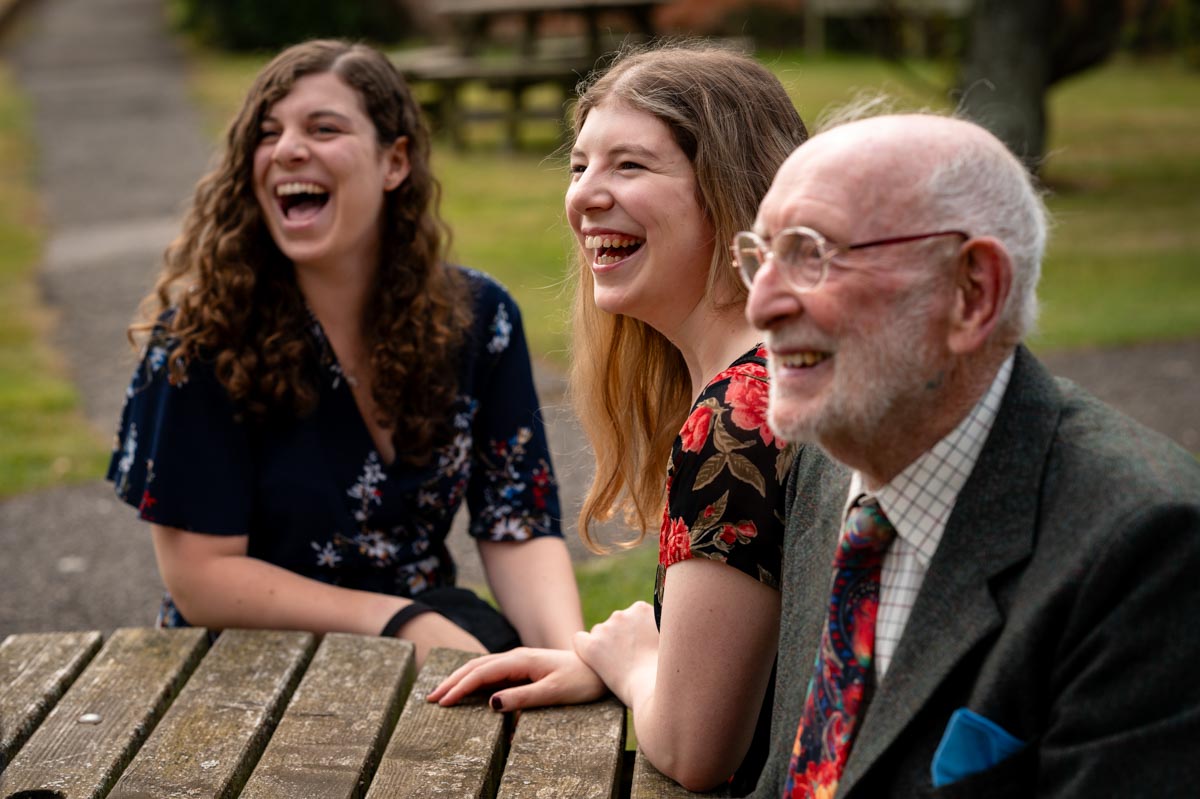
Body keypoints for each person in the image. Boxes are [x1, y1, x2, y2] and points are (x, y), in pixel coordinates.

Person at [741, 112, 1200, 798]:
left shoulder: (1144, 547)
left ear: (972, 292)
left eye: (812, 254)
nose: (762, 303)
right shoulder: (830, 460)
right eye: (761, 255)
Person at [106, 39, 583, 667]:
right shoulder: (201, 342)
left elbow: (515, 525)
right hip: (243, 663)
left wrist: (567, 657)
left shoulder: (478, 319)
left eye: (323, 128)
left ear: (395, 162)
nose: (288, 149)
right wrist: (397, 619)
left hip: (430, 644)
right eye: (268, 133)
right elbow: (201, 579)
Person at [426, 42, 809, 794]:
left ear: (736, 192)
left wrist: (636, 664)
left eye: (630, 165)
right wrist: (608, 658)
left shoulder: (741, 411)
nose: (586, 197)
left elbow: (698, 751)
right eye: (579, 167)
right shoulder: (774, 369)